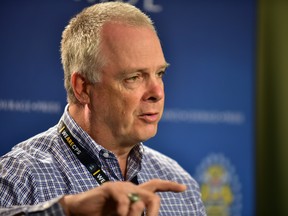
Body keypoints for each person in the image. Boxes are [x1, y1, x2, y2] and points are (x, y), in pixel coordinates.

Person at [0, 2, 206, 216]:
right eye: (134, 77)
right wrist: (67, 211)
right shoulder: (20, 176)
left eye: (160, 74)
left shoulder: (179, 184)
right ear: (83, 88)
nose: (157, 93)